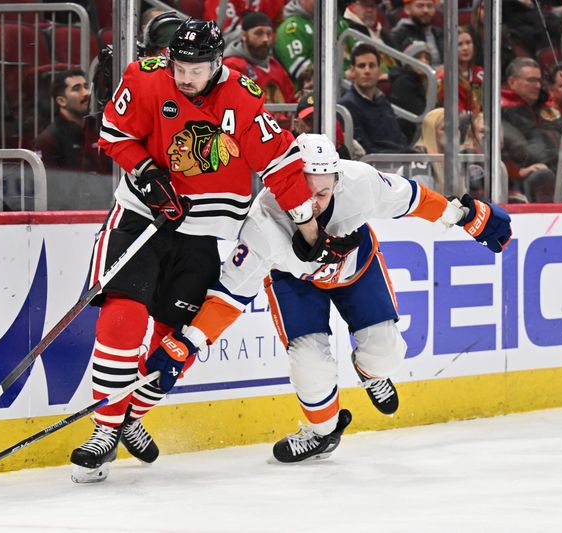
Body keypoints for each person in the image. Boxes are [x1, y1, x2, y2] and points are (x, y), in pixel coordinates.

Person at [69, 18, 352, 484]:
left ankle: (129, 416)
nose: (185, 77)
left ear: (217, 64)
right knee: (123, 315)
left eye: (196, 69)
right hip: (142, 218)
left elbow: (279, 166)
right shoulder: (144, 76)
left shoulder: (240, 97)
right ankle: (104, 432)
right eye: (180, 66)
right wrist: (146, 173)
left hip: (203, 234)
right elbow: (115, 133)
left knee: (173, 338)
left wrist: (309, 227)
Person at [145, 133, 512, 464]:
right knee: (310, 365)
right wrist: (186, 344)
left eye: (324, 192)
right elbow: (230, 295)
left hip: (356, 268)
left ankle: (370, 373)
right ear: (288, 181)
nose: (315, 203)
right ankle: (322, 433)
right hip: (296, 280)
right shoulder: (262, 223)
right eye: (306, 193)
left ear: (337, 179)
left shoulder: (360, 182)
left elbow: (412, 199)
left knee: (386, 354)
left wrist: (463, 215)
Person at [501, 57, 561, 203]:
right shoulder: (504, 110)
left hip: (555, 168)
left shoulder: (543, 107)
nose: (538, 85)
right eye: (531, 80)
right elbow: (524, 149)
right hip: (520, 180)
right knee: (543, 175)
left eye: (539, 81)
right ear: (512, 82)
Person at [32, 69, 110, 173]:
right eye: (77, 89)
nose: (86, 93)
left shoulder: (98, 128)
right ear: (61, 101)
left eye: (86, 87)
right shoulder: (48, 140)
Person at [339, 42, 411, 154]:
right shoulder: (347, 105)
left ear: (379, 70)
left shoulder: (383, 100)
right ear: (352, 71)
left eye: (372, 65)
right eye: (361, 66)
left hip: (397, 161)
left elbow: (399, 138)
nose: (367, 71)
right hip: (376, 166)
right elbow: (366, 150)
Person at [273, 0, 350, 91]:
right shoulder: (291, 28)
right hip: (313, 95)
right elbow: (304, 73)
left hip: (347, 86)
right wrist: (344, 75)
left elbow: (361, 53)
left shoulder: (338, 22)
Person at [222, 11, 297, 105]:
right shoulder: (232, 65)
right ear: (243, 35)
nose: (265, 39)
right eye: (259, 33)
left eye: (269, 34)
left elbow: (291, 101)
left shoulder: (274, 64)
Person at [390, 40, 433, 142]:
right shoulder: (404, 82)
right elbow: (419, 113)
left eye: (427, 58)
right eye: (418, 57)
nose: (424, 61)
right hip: (408, 133)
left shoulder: (424, 81)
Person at [435, 27, 483, 114]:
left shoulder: (480, 73)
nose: (465, 48)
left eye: (468, 43)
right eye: (459, 44)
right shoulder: (444, 76)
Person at [390, 0, 444, 67]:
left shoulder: (440, 33)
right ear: (407, 9)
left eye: (429, 6)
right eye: (420, 6)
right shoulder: (398, 34)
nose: (426, 10)